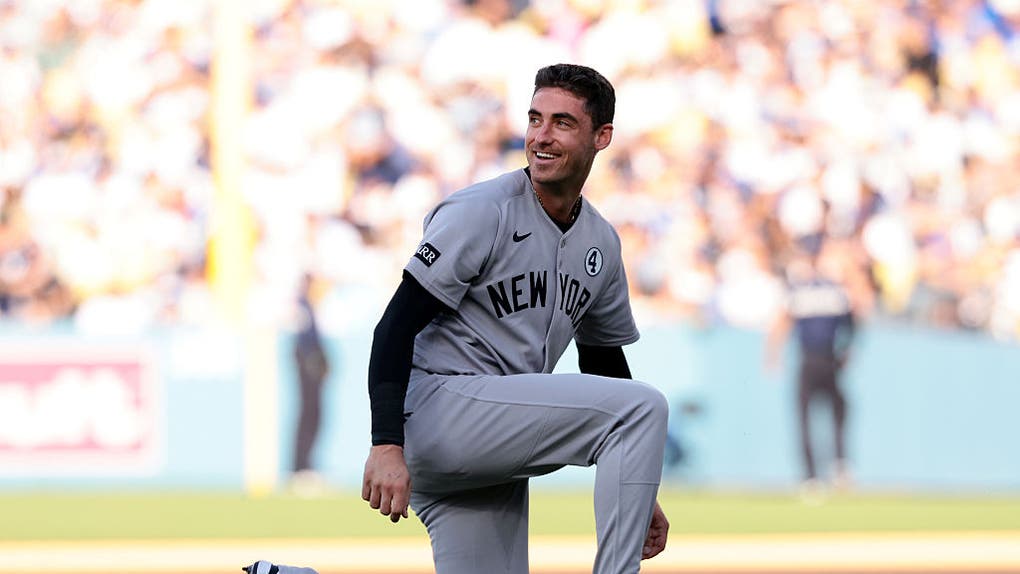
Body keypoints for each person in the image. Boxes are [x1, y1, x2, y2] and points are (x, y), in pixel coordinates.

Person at [361, 63, 671, 574]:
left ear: (602, 136)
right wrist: (385, 444)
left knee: (634, 412)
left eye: (562, 123)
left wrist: (634, 484)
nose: (541, 136)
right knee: (644, 407)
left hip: (489, 442)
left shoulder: (601, 241)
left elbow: (602, 360)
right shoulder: (483, 210)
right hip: (441, 411)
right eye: (534, 119)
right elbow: (394, 327)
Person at [765, 238, 860, 496]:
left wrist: (772, 356)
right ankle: (839, 464)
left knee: (805, 416)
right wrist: (847, 352)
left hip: (809, 360)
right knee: (838, 411)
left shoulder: (800, 292)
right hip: (830, 359)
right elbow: (852, 325)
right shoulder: (837, 292)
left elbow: (782, 323)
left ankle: (810, 476)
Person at [290, 273, 330, 494]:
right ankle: (301, 467)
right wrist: (312, 360)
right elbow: (304, 340)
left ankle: (305, 465)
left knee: (313, 415)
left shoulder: (311, 307)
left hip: (311, 366)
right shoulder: (303, 306)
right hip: (307, 368)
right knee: (308, 415)